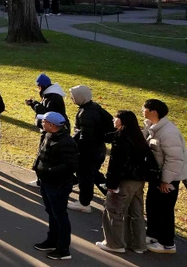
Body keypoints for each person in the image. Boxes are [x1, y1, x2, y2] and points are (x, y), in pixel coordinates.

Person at [98, 110, 153, 254]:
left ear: (123, 121)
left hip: (124, 180)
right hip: (138, 181)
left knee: (114, 211)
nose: (113, 119)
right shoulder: (138, 136)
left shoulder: (121, 137)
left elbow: (117, 163)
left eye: (116, 117)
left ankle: (114, 244)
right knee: (136, 213)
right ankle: (138, 245)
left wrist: (111, 183)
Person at [32, 111, 78, 261]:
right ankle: (52, 241)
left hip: (58, 184)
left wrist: (49, 171)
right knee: (52, 213)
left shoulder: (66, 142)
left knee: (60, 216)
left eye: (44, 121)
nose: (41, 123)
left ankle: (63, 249)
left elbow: (70, 165)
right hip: (47, 182)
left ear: (52, 125)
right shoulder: (48, 135)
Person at [143, 98, 185, 254]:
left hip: (169, 179)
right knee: (153, 205)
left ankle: (167, 244)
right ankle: (153, 235)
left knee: (165, 210)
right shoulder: (154, 127)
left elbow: (174, 159)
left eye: (144, 108)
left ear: (154, 112)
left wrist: (166, 181)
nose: (142, 111)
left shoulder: (168, 132)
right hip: (158, 177)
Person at [69, 85, 114, 213]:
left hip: (88, 151)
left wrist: (77, 150)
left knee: (85, 175)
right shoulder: (95, 107)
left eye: (73, 96)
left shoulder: (85, 113)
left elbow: (85, 136)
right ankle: (112, 197)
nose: (72, 99)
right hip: (99, 148)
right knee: (94, 173)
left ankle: (84, 203)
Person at [26, 73, 68, 187]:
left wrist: (35, 104)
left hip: (51, 131)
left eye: (38, 86)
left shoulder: (53, 97)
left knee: (45, 156)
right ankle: (42, 179)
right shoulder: (51, 95)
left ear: (42, 86)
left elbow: (48, 113)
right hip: (49, 130)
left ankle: (42, 180)